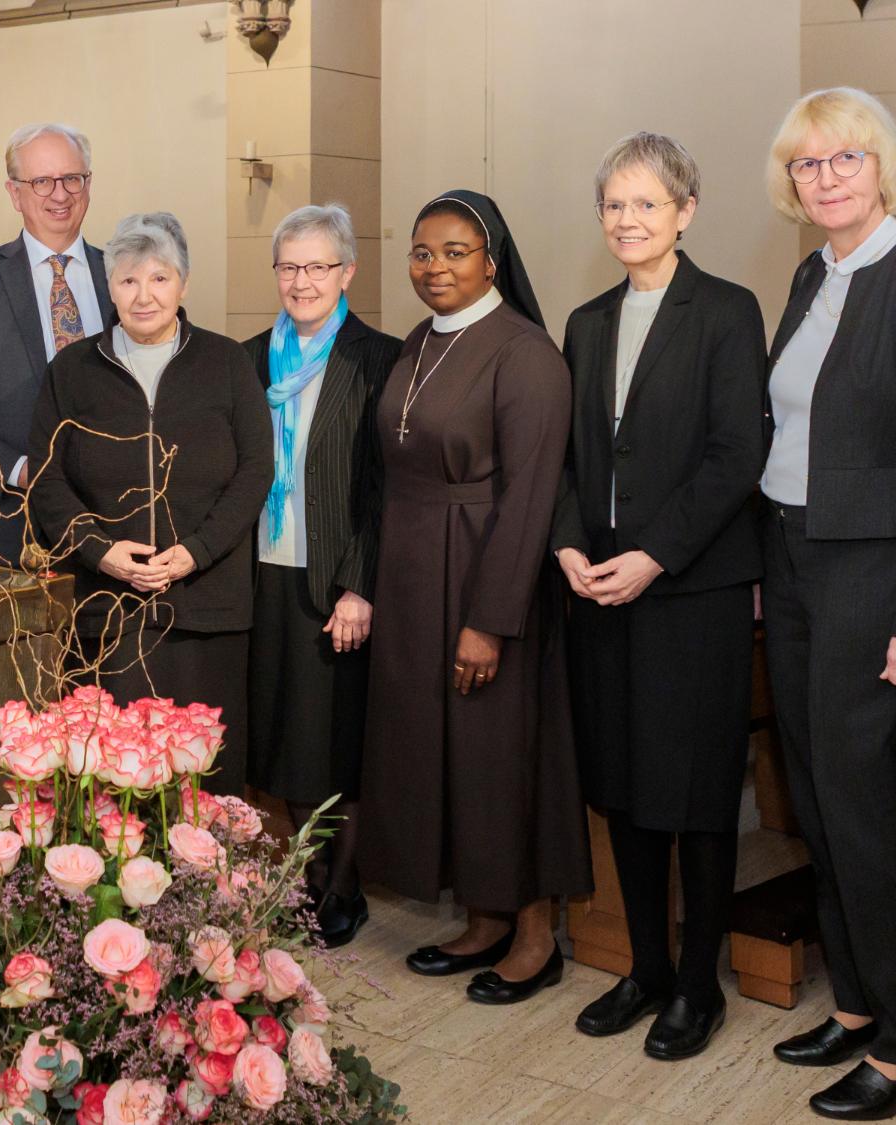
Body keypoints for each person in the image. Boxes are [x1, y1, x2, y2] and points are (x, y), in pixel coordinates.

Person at [758, 87, 896, 1120]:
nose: (826, 178)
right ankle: (855, 1006)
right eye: (807, 165)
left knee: (861, 803)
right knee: (812, 794)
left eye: (844, 159)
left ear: (882, 167)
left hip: (873, 575)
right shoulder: (813, 273)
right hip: (797, 560)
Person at [550, 133, 768, 1060]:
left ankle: (696, 983)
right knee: (626, 788)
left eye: (646, 203)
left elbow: (735, 459)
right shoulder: (587, 320)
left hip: (691, 589)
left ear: (685, 210)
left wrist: (656, 555)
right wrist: (565, 541)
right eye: (613, 205)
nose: (627, 220)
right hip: (600, 585)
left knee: (696, 793)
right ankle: (643, 967)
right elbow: (565, 456)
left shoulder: (726, 311)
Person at [358, 190, 590, 1003]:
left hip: (491, 577)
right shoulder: (419, 342)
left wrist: (489, 620)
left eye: (456, 252)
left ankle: (534, 933)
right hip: (417, 577)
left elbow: (530, 498)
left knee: (500, 757)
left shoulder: (526, 353)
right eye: (422, 252)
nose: (435, 267)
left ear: (492, 260)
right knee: (443, 754)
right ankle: (483, 916)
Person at [27, 212, 273, 795]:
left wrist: (196, 551)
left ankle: (208, 887)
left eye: (160, 279)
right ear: (109, 287)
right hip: (109, 613)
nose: (144, 296)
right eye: (128, 281)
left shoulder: (227, 364)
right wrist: (98, 551)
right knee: (114, 781)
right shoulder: (73, 370)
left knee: (202, 781)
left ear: (184, 285)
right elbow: (46, 478)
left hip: (207, 609)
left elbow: (256, 470)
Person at [240, 203, 402, 947]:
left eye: (319, 266)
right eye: (290, 266)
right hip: (262, 573)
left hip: (334, 579)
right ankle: (300, 880)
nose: (303, 280)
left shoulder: (380, 358)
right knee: (281, 735)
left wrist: (360, 583)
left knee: (337, 737)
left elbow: (383, 487)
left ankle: (343, 885)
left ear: (348, 273)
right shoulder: (247, 360)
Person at [0, 123, 117, 565]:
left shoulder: (120, 277)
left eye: (71, 179)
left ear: (88, 184)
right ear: (14, 192)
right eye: (41, 181)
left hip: (110, 526)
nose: (59, 194)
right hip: (4, 525)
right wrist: (17, 470)